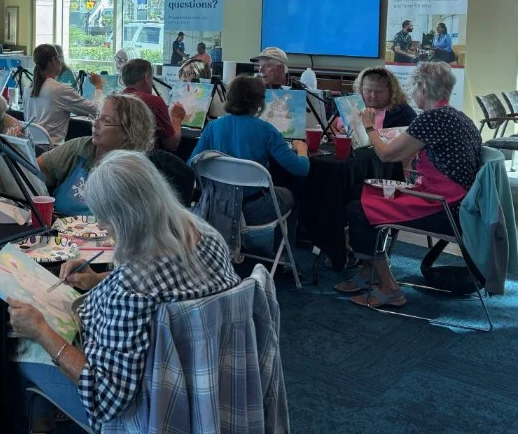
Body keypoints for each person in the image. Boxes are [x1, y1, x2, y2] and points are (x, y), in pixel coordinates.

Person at [9, 151, 240, 431]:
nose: (104, 229)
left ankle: (41, 423)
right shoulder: (208, 237)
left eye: (104, 221)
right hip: (212, 384)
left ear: (124, 219)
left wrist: (40, 331)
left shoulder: (132, 288)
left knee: (18, 350)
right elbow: (172, 283)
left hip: (146, 411)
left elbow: (102, 396)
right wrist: (100, 280)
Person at [336, 62, 482, 308]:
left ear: (423, 89)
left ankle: (389, 287)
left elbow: (386, 155)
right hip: (461, 205)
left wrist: (369, 126)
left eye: (415, 90)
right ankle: (367, 274)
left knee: (358, 210)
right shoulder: (459, 116)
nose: (413, 96)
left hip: (443, 208)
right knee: (368, 194)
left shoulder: (433, 118)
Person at [188, 75, 308, 250]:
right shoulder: (266, 130)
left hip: (218, 206)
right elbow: (301, 169)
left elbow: (191, 165)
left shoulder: (212, 127)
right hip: (254, 209)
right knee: (290, 195)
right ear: (259, 103)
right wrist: (302, 150)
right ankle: (282, 257)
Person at [36, 94, 155, 215]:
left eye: (106, 120)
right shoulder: (81, 147)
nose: (95, 124)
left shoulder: (136, 173)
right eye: (97, 117)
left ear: (129, 132)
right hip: (57, 227)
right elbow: (36, 170)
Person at [24, 44, 103, 145]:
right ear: (53, 60)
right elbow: (96, 110)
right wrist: (98, 86)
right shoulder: (60, 89)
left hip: (31, 147)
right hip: (53, 149)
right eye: (59, 58)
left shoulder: (28, 87)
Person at [120, 58, 185, 152]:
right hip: (147, 161)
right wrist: (176, 118)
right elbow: (172, 144)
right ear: (146, 77)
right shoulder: (155, 102)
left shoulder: (113, 99)